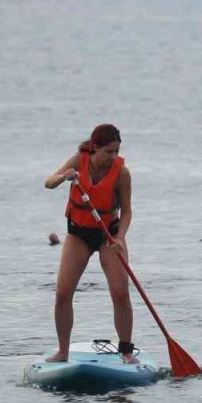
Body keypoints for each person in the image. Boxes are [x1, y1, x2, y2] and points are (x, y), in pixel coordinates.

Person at [43, 124, 134, 363]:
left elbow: (126, 212)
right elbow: (48, 182)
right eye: (108, 152)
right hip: (79, 235)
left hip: (109, 237)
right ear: (95, 148)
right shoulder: (78, 161)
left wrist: (120, 238)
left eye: (116, 151)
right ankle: (63, 351)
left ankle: (125, 351)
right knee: (63, 293)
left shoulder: (121, 173)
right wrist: (65, 177)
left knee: (120, 293)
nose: (113, 157)